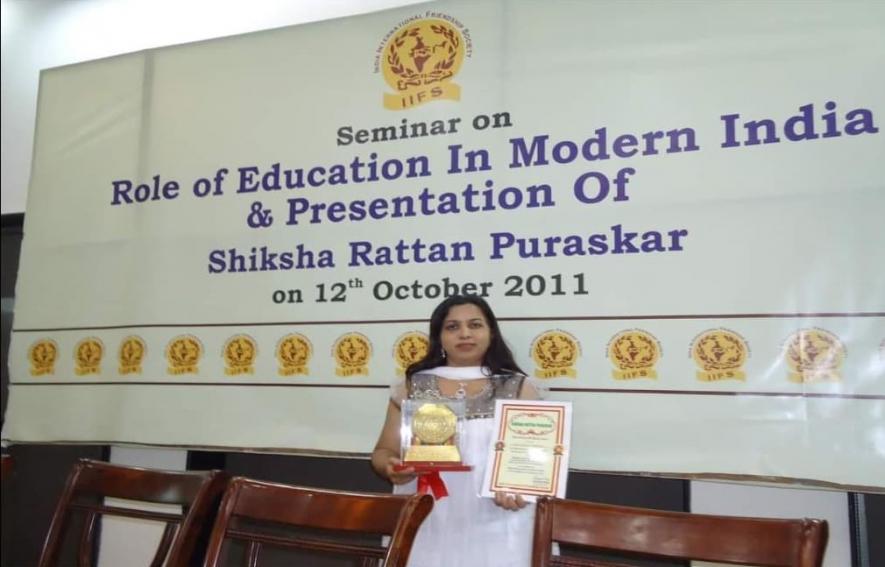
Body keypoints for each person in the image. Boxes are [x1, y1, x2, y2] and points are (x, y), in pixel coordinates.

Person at [371, 295, 540, 567]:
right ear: (439, 337)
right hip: (428, 516)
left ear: (491, 332)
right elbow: (382, 451)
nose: (465, 334)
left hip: (501, 518)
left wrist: (521, 488)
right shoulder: (413, 386)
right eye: (452, 327)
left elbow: (534, 460)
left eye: (475, 325)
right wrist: (391, 467)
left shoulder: (520, 388)